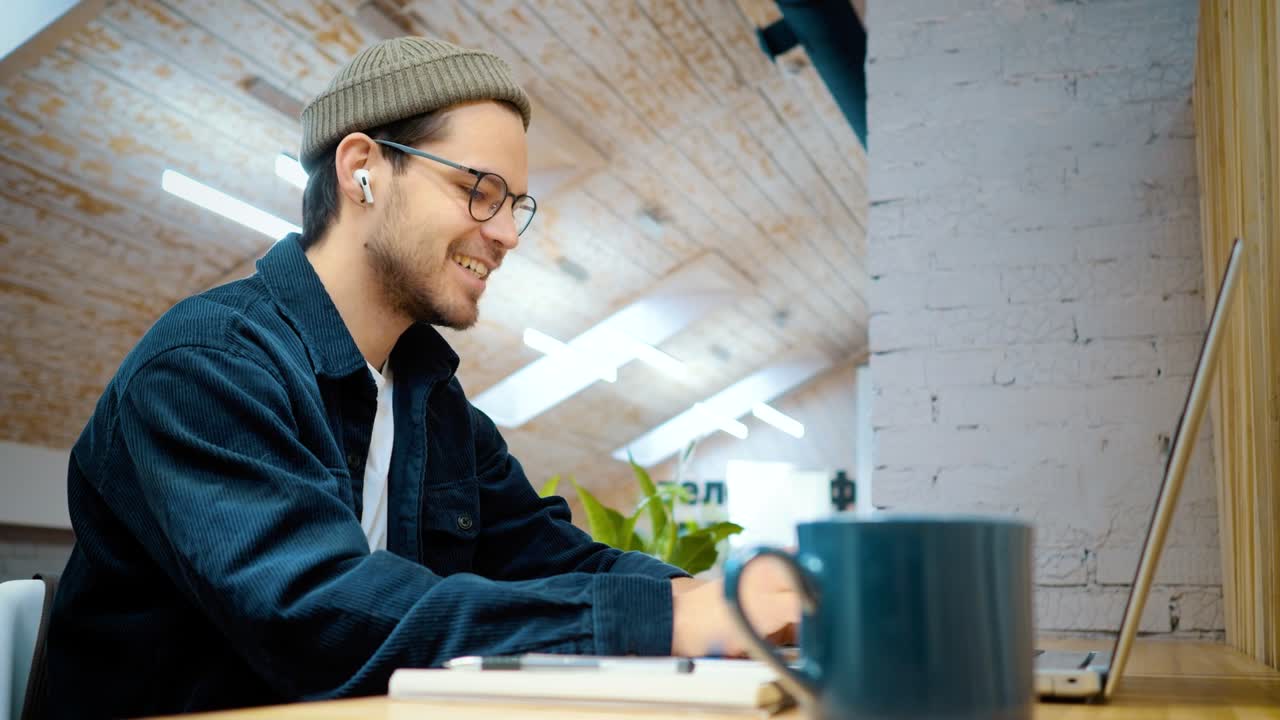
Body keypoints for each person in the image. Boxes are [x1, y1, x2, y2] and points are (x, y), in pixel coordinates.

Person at [46, 37, 797, 718]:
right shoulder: (208, 368)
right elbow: (320, 615)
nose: (505, 234)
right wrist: (666, 622)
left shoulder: (427, 395)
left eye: (514, 206)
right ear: (362, 170)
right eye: (480, 189)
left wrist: (716, 596)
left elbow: (548, 553)